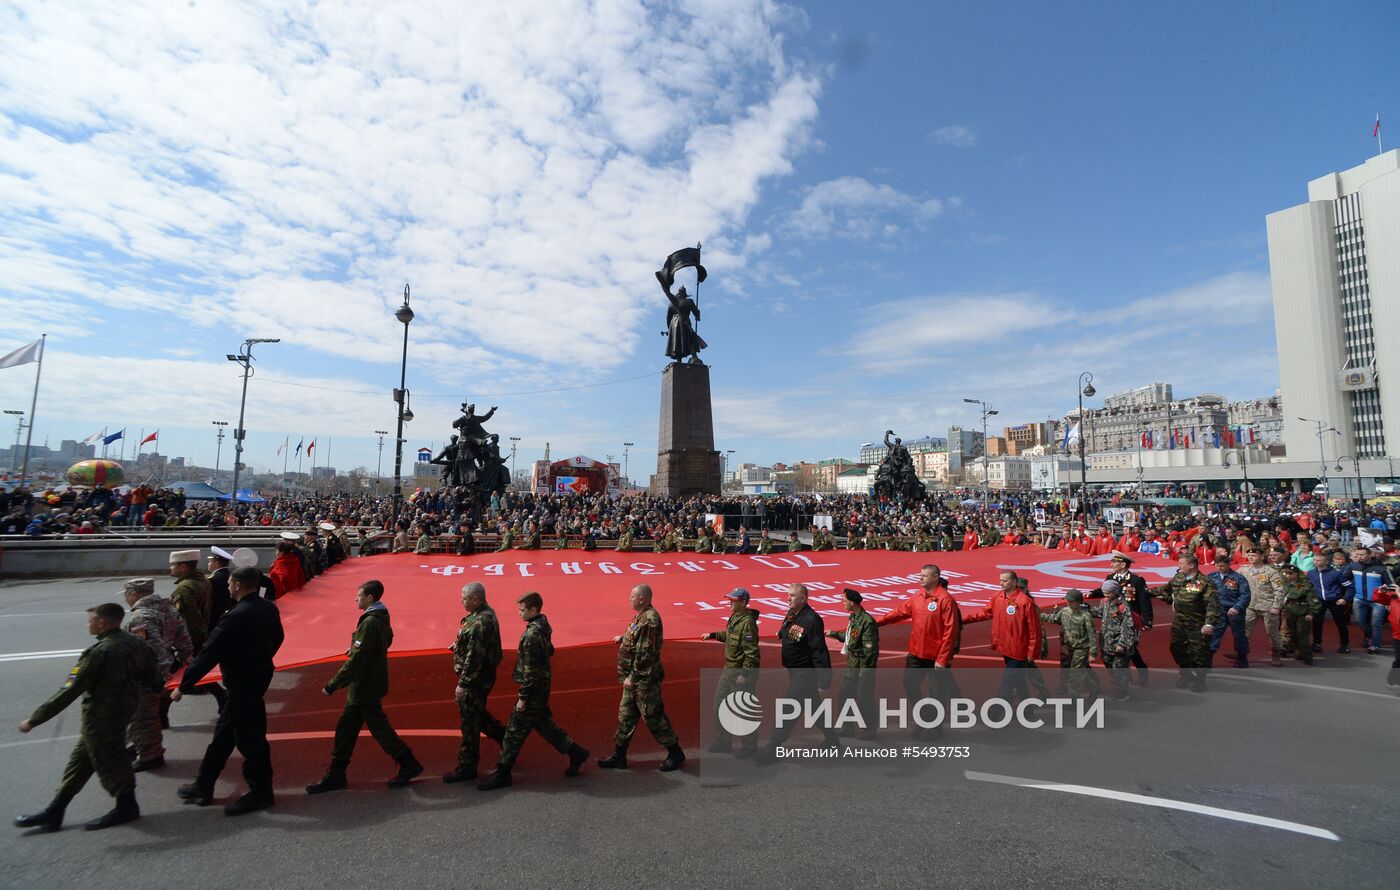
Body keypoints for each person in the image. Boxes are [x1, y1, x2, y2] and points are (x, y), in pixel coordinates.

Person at [15, 603, 159, 832]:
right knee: (80, 762)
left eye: (90, 620)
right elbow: (153, 675)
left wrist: (35, 719)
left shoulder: (99, 652)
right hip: (123, 711)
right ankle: (55, 811)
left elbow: (70, 689)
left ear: (102, 622)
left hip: (101, 718)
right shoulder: (137, 643)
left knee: (113, 763)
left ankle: (127, 807)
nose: (87, 624)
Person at [173, 566, 284, 816]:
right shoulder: (268, 607)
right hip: (254, 679)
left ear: (236, 585)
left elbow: (209, 654)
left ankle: (261, 792)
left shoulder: (234, 616)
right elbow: (278, 637)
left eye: (229, 583)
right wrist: (261, 658)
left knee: (251, 742)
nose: (227, 586)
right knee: (222, 739)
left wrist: (184, 685)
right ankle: (204, 784)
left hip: (242, 683)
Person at [306, 580, 424, 794]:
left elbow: (357, 660)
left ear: (369, 598)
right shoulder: (381, 617)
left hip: (364, 685)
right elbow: (385, 641)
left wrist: (333, 684)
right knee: (347, 729)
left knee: (378, 729)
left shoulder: (370, 622)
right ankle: (337, 773)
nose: (355, 598)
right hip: (368, 684)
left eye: (358, 595)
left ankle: (408, 763)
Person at [477, 593, 589, 790]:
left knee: (513, 731)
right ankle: (576, 752)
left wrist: (523, 697)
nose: (519, 613)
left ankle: (503, 772)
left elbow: (531, 670)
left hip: (533, 691)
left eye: (522, 610)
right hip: (542, 687)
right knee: (545, 725)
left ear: (533, 610)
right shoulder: (543, 626)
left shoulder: (531, 635)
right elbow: (550, 651)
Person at [598, 585, 685, 772]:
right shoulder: (641, 616)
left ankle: (675, 752)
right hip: (634, 680)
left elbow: (646, 653)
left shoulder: (650, 619)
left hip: (644, 680)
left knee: (653, 717)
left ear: (642, 599)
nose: (629, 599)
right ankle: (619, 756)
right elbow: (638, 639)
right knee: (626, 717)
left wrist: (633, 675)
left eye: (632, 597)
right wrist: (624, 638)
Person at [875, 564, 961, 740]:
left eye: (925, 576)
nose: (920, 578)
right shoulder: (918, 596)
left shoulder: (945, 600)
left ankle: (935, 729)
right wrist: (876, 622)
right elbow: (900, 612)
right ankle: (926, 718)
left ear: (936, 577)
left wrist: (943, 659)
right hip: (916, 652)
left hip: (936, 655)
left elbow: (950, 631)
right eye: (920, 575)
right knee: (909, 684)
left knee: (936, 693)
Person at [756, 584, 838, 762]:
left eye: (792, 596)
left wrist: (824, 679)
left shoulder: (811, 619)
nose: (788, 598)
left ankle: (772, 749)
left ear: (803, 598)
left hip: (805, 673)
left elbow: (818, 650)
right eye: (788, 595)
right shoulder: (793, 614)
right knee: (813, 707)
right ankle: (833, 740)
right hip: (794, 672)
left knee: (788, 708)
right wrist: (782, 634)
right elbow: (790, 631)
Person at [121, 578, 192, 772]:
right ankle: (135, 746)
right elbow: (183, 637)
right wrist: (186, 660)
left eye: (127, 594)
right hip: (163, 671)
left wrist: (155, 679)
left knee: (143, 717)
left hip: (146, 676)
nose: (126, 598)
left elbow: (150, 650)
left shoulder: (140, 618)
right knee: (143, 715)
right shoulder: (166, 608)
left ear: (135, 594)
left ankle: (150, 756)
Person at [445, 582, 505, 783]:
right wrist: (459, 643)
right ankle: (506, 738)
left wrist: (463, 683)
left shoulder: (481, 622)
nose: (461, 601)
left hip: (476, 678)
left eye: (464, 598)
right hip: (482, 675)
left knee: (469, 722)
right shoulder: (482, 614)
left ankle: (467, 765)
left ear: (476, 600)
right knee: (477, 713)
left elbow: (475, 657)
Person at [963, 571, 1042, 703]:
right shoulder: (997, 597)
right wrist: (962, 619)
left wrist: (1032, 652)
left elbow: (1034, 630)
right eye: (1000, 580)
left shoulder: (1025, 602)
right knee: (1019, 681)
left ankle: (994, 715)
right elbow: (985, 613)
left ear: (1014, 582)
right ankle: (1029, 712)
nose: (1001, 583)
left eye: (1005, 581)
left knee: (1008, 682)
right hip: (1005, 647)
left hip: (1018, 651)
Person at [701, 587, 761, 756]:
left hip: (740, 673)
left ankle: (749, 746)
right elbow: (729, 635)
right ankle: (723, 741)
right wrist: (712, 635)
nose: (730, 602)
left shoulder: (748, 623)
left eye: (734, 600)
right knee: (719, 706)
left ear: (743, 602)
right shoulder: (735, 617)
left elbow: (752, 653)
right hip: (729, 671)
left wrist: (745, 674)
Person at [1149, 554, 1220, 691]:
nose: (1178, 566)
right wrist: (1144, 590)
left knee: (1199, 653)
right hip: (1179, 622)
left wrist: (1209, 623)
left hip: (1197, 623)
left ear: (1192, 565)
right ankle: (1186, 673)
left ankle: (1200, 679)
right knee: (1176, 648)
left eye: (1181, 564)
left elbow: (1212, 604)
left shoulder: (1205, 582)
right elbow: (1165, 590)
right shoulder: (1178, 577)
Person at [826, 589, 879, 739]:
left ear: (852, 602)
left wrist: (865, 671)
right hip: (852, 663)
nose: (842, 603)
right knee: (845, 695)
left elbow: (870, 649)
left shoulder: (867, 621)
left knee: (864, 697)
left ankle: (869, 729)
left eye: (844, 600)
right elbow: (850, 637)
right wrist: (835, 634)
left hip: (863, 664)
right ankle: (847, 727)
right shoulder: (854, 618)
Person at [1041, 590, 1100, 698]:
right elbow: (1053, 618)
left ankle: (1073, 699)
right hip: (1068, 647)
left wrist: (1093, 653)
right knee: (1079, 671)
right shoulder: (1065, 611)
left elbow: (1092, 635)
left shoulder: (1085, 616)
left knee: (1074, 674)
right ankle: (1093, 687)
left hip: (1081, 648)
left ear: (1077, 602)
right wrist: (1039, 615)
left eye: (1070, 602)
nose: (1068, 603)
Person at [1238, 545, 1286, 666]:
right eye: (1249, 555)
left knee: (1272, 632)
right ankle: (1241, 654)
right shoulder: (1243, 570)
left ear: (1262, 556)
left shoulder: (1271, 572)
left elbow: (1280, 590)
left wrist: (1276, 606)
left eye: (1254, 555)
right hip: (1249, 605)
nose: (1250, 557)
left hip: (1268, 606)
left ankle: (1276, 654)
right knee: (1244, 631)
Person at [1347, 546, 1397, 654]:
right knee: (1360, 620)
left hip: (1378, 601)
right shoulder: (1353, 566)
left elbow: (1392, 585)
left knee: (1376, 623)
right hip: (1359, 599)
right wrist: (1351, 588)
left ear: (1370, 555)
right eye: (1358, 554)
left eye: (1362, 554)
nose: (1359, 557)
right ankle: (1369, 636)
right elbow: (1344, 577)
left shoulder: (1382, 568)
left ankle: (1375, 645)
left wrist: (1388, 600)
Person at [1093, 582, 1139, 701]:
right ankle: (1123, 681)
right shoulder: (1104, 602)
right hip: (1107, 642)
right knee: (1108, 663)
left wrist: (1122, 644)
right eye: (1104, 592)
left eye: (1108, 592)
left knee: (1118, 667)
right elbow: (1099, 612)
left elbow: (1128, 626)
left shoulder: (1122, 605)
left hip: (1118, 642)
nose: (1106, 595)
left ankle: (1123, 691)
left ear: (1115, 591)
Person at [1207, 552, 1252, 667]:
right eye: (1217, 565)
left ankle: (1242, 659)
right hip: (1218, 610)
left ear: (1228, 564)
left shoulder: (1238, 578)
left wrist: (1237, 607)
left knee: (1239, 635)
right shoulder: (1211, 577)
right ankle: (1207, 660)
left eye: (1222, 565)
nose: (1219, 568)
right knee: (1214, 634)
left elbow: (1245, 595)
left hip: (1234, 611)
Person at [1308, 548, 1352, 654]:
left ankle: (1344, 644)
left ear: (1326, 561)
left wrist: (1345, 599)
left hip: (1335, 601)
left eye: (1318, 560)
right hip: (1319, 600)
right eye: (1314, 560)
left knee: (1340, 623)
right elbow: (1308, 586)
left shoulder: (1336, 573)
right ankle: (1317, 643)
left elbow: (1350, 587)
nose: (1316, 562)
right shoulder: (1311, 573)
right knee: (1317, 622)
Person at [168, 548, 212, 653]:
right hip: (203, 634)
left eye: (173, 565)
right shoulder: (204, 581)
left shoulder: (184, 588)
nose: (171, 567)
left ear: (183, 567)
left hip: (190, 642)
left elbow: (189, 619)